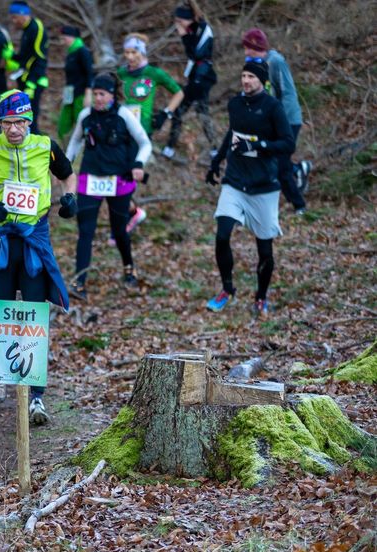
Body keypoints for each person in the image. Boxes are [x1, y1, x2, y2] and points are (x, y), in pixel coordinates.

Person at [0, 91, 76, 424]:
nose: (13, 130)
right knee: (3, 307)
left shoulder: (45, 146)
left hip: (35, 237)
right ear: (1, 123)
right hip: (1, 239)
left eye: (20, 123)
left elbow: (67, 174)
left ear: (29, 121)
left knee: (34, 313)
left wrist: (69, 198)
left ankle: (35, 396)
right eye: (8, 123)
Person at [204, 59, 294, 317]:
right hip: (235, 180)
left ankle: (261, 297)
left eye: (251, 77)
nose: (245, 81)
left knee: (264, 248)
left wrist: (258, 146)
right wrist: (216, 161)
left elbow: (287, 143)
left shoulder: (273, 108)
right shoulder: (235, 104)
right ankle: (227, 290)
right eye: (243, 76)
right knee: (222, 235)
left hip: (264, 186)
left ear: (262, 81)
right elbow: (232, 133)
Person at [65, 73, 152, 301]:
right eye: (95, 94)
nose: (98, 99)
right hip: (89, 180)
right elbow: (75, 141)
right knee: (85, 231)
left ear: (112, 95)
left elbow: (144, 142)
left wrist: (139, 164)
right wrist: (65, 166)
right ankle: (79, 282)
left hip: (118, 180)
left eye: (102, 94)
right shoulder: (86, 116)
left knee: (119, 229)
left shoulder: (124, 115)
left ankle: (129, 267)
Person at [116, 33, 183, 238]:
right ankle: (130, 211)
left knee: (128, 170)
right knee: (121, 170)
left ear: (142, 52)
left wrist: (166, 113)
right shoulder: (122, 73)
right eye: (126, 52)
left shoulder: (154, 73)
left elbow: (179, 92)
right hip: (124, 128)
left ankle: (132, 212)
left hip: (144, 130)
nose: (129, 57)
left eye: (134, 52)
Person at [242, 28, 311, 214]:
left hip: (288, 120)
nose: (245, 51)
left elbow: (288, 93)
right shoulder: (253, 64)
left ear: (255, 47)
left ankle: (299, 206)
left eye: (247, 47)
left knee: (280, 166)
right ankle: (299, 169)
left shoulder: (276, 62)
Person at [165, 3, 218, 160]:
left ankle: (214, 149)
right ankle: (170, 147)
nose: (178, 25)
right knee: (192, 111)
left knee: (197, 111)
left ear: (188, 19)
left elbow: (196, 54)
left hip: (202, 78)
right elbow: (191, 54)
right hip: (196, 76)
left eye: (180, 21)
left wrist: (184, 36)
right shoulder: (191, 29)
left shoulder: (203, 28)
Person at [8, 3, 49, 134]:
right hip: (24, 78)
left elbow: (40, 57)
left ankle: (35, 141)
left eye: (15, 17)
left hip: (34, 80)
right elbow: (25, 56)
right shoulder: (26, 30)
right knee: (22, 113)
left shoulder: (36, 28)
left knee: (31, 114)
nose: (13, 21)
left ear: (23, 15)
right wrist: (13, 57)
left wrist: (32, 81)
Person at [56, 25, 93, 147]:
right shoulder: (70, 52)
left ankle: (84, 147)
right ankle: (64, 146)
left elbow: (89, 73)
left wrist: (88, 94)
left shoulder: (83, 51)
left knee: (81, 120)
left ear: (71, 37)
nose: (63, 40)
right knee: (63, 122)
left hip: (81, 92)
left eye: (64, 37)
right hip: (69, 93)